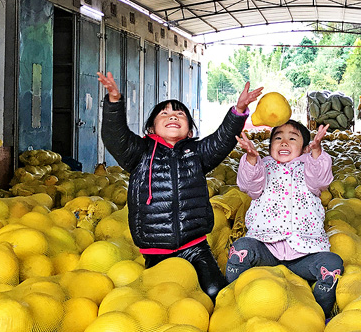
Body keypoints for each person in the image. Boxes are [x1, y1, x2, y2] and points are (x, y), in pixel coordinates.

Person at [98, 71, 262, 302]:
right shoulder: (139, 153)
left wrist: (238, 111)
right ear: (151, 130)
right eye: (164, 113)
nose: (172, 116)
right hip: (157, 251)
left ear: (191, 131)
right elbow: (115, 136)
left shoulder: (197, 154)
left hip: (196, 246)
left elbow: (223, 139)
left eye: (179, 114)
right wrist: (114, 102)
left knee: (215, 292)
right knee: (166, 300)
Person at [225, 119, 343, 316]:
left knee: (332, 264)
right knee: (241, 248)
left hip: (305, 252)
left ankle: (320, 313)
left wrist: (317, 151)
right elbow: (249, 186)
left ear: (305, 148)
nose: (284, 142)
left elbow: (321, 179)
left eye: (292, 138)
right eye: (278, 138)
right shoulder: (263, 167)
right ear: (270, 146)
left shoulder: (309, 169)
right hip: (266, 247)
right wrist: (252, 158)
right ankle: (232, 298)